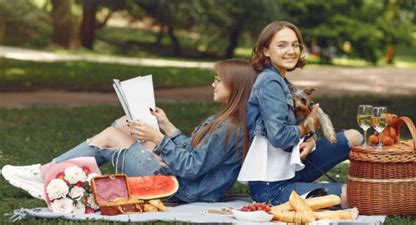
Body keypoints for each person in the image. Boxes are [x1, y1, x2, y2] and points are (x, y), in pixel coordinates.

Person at [2, 59, 258, 203]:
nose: (212, 83)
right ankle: (52, 173)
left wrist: (158, 138)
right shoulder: (227, 119)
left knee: (112, 137)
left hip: (185, 188)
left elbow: (191, 166)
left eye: (218, 79)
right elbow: (194, 152)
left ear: (234, 85)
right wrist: (167, 126)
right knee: (125, 122)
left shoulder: (230, 127)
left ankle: (46, 174)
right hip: (185, 177)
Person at [244, 21, 363, 205]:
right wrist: (307, 125)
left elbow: (301, 126)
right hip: (272, 187)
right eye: (281, 45)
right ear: (266, 50)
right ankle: (364, 187)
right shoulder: (269, 83)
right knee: (356, 195)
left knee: (354, 137)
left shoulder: (281, 80)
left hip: (294, 165)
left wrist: (311, 141)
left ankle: (367, 180)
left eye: (295, 45)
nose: (291, 50)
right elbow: (278, 136)